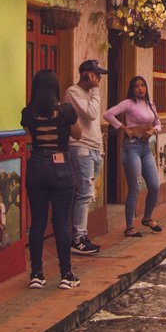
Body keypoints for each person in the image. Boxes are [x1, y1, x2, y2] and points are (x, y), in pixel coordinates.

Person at [20, 69, 81, 290]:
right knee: (61, 223)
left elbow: (29, 131)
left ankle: (36, 274)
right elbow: (78, 134)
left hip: (36, 165)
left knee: (37, 222)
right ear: (55, 87)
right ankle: (66, 274)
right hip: (60, 166)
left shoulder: (28, 113)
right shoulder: (65, 111)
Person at [104, 76, 163, 237]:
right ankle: (129, 226)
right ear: (132, 89)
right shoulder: (128, 103)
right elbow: (108, 114)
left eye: (142, 85)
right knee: (134, 188)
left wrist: (154, 130)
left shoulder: (151, 105)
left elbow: (158, 123)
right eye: (136, 86)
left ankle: (148, 217)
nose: (140, 89)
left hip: (145, 148)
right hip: (131, 147)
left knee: (154, 185)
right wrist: (123, 127)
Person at [65, 59, 107, 256]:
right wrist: (97, 90)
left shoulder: (90, 95)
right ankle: (78, 239)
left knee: (85, 194)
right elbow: (90, 115)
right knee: (84, 194)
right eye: (96, 74)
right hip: (81, 149)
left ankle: (79, 234)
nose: (98, 78)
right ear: (86, 74)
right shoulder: (73, 92)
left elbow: (95, 122)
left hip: (94, 150)